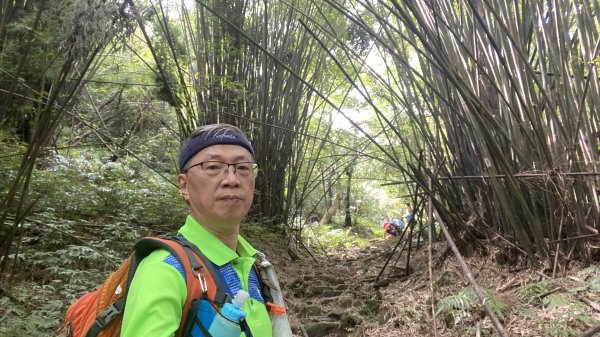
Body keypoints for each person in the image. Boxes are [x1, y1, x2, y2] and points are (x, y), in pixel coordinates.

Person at [121, 123, 288, 337]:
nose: (232, 180)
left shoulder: (255, 267)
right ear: (184, 185)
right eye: (212, 167)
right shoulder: (165, 270)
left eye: (243, 168)